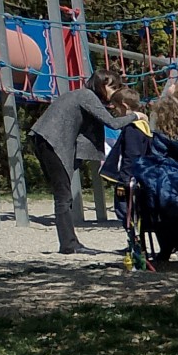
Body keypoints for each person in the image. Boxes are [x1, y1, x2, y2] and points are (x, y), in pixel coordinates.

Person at [31, 73, 134, 252]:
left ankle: (68, 243)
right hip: (52, 142)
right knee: (63, 196)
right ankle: (69, 244)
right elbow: (113, 123)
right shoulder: (87, 95)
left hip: (44, 139)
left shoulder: (80, 94)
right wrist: (136, 116)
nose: (115, 91)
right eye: (112, 87)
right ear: (100, 85)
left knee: (62, 194)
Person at [98, 87, 152, 226]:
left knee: (126, 214)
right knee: (133, 214)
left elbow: (131, 156)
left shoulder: (132, 129)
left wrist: (124, 182)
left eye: (116, 107)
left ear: (124, 106)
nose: (115, 112)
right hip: (139, 177)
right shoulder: (143, 126)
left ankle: (134, 238)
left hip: (129, 180)